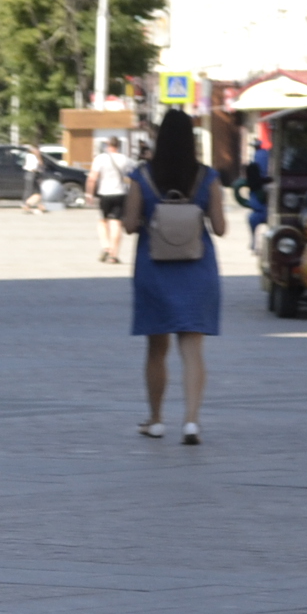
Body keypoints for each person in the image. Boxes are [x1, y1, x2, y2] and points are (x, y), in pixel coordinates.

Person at [123, 109, 224, 445]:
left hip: (154, 268)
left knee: (156, 349)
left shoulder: (142, 177)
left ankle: (155, 419)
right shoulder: (207, 177)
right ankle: (192, 421)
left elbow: (128, 224)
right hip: (197, 269)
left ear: (159, 138)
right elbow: (221, 228)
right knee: (193, 348)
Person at [88, 136, 133, 264]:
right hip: (120, 193)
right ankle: (114, 254)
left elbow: (92, 178)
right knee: (116, 223)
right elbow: (131, 178)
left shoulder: (100, 158)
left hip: (104, 193)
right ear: (118, 146)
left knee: (102, 221)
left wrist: (89, 194)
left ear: (108, 145)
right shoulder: (125, 160)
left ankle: (106, 246)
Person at [20, 144, 46, 214]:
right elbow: (39, 164)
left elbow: (40, 165)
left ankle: (39, 205)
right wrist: (38, 156)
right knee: (29, 189)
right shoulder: (30, 156)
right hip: (31, 173)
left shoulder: (34, 156)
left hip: (35, 174)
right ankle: (25, 204)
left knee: (38, 190)